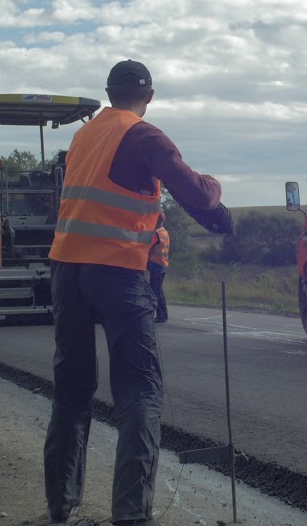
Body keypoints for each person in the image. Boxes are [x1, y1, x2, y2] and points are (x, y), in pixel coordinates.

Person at [43, 59, 231, 526]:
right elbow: (196, 193)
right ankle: (131, 515)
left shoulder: (84, 136)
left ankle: (61, 507)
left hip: (67, 269)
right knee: (140, 394)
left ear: (108, 92)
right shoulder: (143, 135)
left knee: (71, 392)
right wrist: (217, 194)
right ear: (149, 97)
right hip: (116, 273)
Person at [147, 212, 170, 324]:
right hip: (163, 264)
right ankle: (163, 315)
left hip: (156, 263)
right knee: (158, 291)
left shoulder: (156, 233)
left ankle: (158, 316)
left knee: (154, 292)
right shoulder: (164, 232)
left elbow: (149, 248)